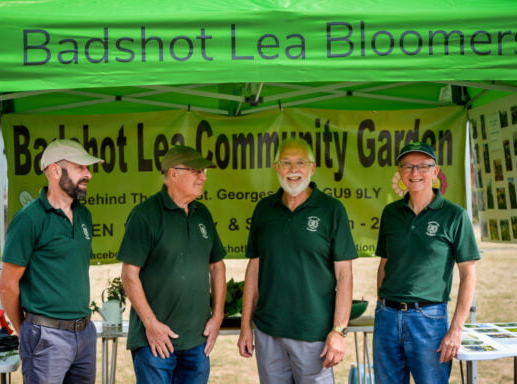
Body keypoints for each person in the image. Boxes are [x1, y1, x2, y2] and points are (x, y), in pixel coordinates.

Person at [237, 138, 358, 384]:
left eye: (301, 162)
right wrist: (245, 326)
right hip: (268, 332)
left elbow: (345, 276)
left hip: (314, 334)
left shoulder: (332, 209)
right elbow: (253, 270)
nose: (293, 170)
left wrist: (338, 330)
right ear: (275, 167)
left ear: (312, 168)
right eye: (286, 163)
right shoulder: (264, 209)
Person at [0, 139, 104, 384]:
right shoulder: (29, 219)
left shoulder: (84, 215)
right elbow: (6, 285)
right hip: (45, 335)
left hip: (85, 333)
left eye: (88, 168)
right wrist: (25, 330)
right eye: (80, 167)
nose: (88, 174)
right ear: (55, 171)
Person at [117, 145, 227, 384]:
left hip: (197, 341)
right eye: (196, 171)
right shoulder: (145, 214)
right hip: (155, 342)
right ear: (173, 173)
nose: (203, 177)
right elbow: (128, 275)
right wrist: (151, 324)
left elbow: (217, 266)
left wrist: (218, 316)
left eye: (204, 171)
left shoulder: (202, 214)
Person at [373, 141, 480, 384]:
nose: (415, 173)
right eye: (408, 167)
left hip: (429, 319)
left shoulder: (455, 215)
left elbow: (468, 275)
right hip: (387, 317)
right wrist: (381, 304)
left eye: (423, 166)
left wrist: (455, 329)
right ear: (400, 172)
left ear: (435, 171)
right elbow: (385, 263)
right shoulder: (390, 213)